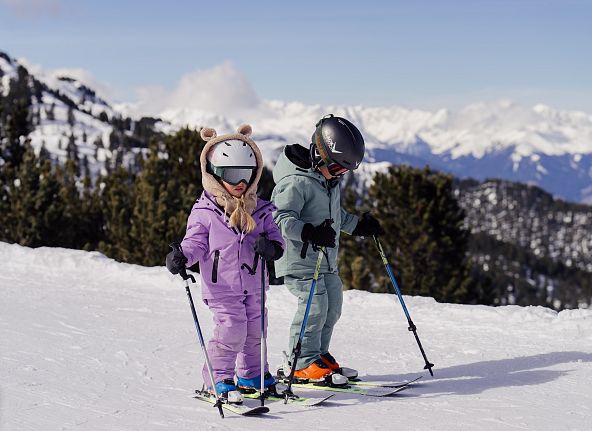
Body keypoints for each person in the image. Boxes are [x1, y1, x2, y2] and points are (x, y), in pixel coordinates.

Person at [166, 124, 285, 401]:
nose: (241, 182)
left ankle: (251, 375)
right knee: (232, 330)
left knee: (256, 332)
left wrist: (272, 248)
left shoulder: (262, 209)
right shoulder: (205, 212)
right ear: (215, 175)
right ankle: (218, 379)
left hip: (255, 284)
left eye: (246, 174)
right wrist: (182, 255)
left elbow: (277, 239)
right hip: (222, 287)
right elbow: (195, 243)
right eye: (232, 174)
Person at [271, 114, 384, 380]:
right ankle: (300, 362)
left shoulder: (326, 182)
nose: (339, 175)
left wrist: (359, 227)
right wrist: (308, 232)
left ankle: (318, 355)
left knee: (333, 306)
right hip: (299, 260)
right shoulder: (295, 182)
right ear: (318, 155)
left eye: (344, 172)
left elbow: (336, 217)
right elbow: (280, 218)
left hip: (325, 260)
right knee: (315, 307)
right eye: (336, 169)